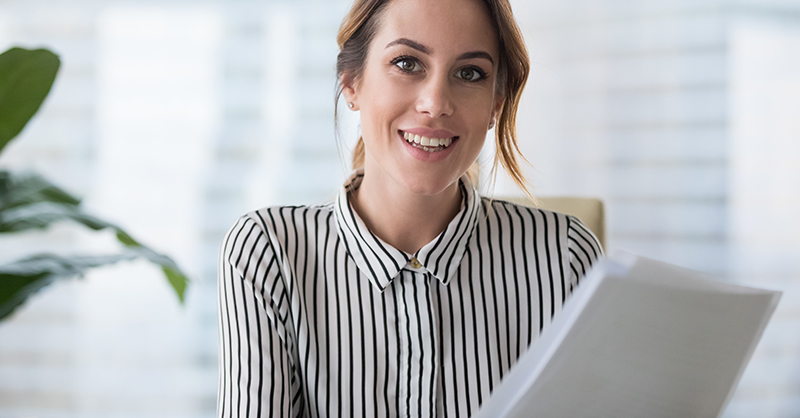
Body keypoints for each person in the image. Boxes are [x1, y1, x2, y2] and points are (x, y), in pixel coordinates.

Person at [217, 0, 603, 416]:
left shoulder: (565, 257)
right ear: (351, 82)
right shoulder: (268, 254)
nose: (436, 103)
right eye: (407, 63)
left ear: (496, 103)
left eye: (470, 73)